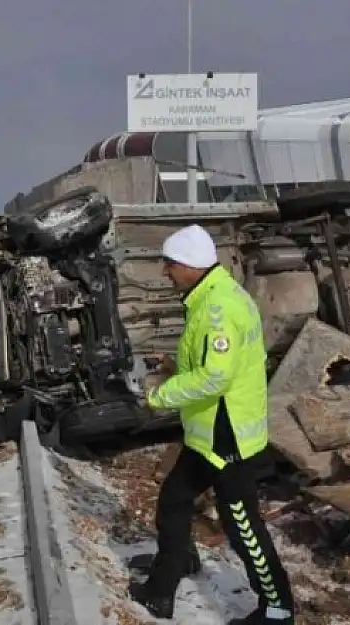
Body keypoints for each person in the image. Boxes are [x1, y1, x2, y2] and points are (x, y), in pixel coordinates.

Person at [129, 224, 295, 624]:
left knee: (242, 525)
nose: (165, 272)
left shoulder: (219, 309)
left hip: (227, 435)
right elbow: (211, 363)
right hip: (209, 432)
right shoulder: (208, 296)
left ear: (189, 265)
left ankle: (278, 609)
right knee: (174, 498)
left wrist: (158, 397)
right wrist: (171, 365)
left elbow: (214, 377)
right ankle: (167, 579)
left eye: (170, 264)